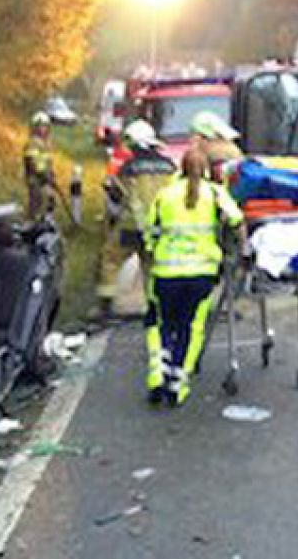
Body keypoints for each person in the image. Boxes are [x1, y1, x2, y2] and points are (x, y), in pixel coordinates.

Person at [141, 146, 244, 406]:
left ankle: (158, 373)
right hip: (202, 274)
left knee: (164, 323)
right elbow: (236, 221)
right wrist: (240, 252)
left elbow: (150, 233)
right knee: (189, 327)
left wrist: (153, 254)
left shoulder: (164, 195)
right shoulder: (215, 193)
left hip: (166, 273)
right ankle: (177, 383)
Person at [97, 119, 175, 321]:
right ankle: (154, 305)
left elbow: (120, 195)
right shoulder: (169, 167)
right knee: (150, 265)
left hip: (132, 226)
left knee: (110, 258)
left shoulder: (129, 168)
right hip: (160, 226)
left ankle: (105, 306)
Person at [190, 110, 243, 181]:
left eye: (194, 134)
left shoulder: (218, 152)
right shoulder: (228, 147)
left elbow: (219, 178)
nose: (192, 139)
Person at [22, 112, 56, 220]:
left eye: (45, 126)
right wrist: (42, 173)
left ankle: (46, 221)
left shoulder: (47, 143)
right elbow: (31, 162)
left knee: (50, 200)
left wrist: (51, 173)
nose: (43, 129)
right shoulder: (32, 143)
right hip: (35, 178)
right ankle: (31, 222)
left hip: (45, 177)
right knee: (36, 200)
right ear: (35, 127)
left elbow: (48, 161)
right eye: (40, 126)